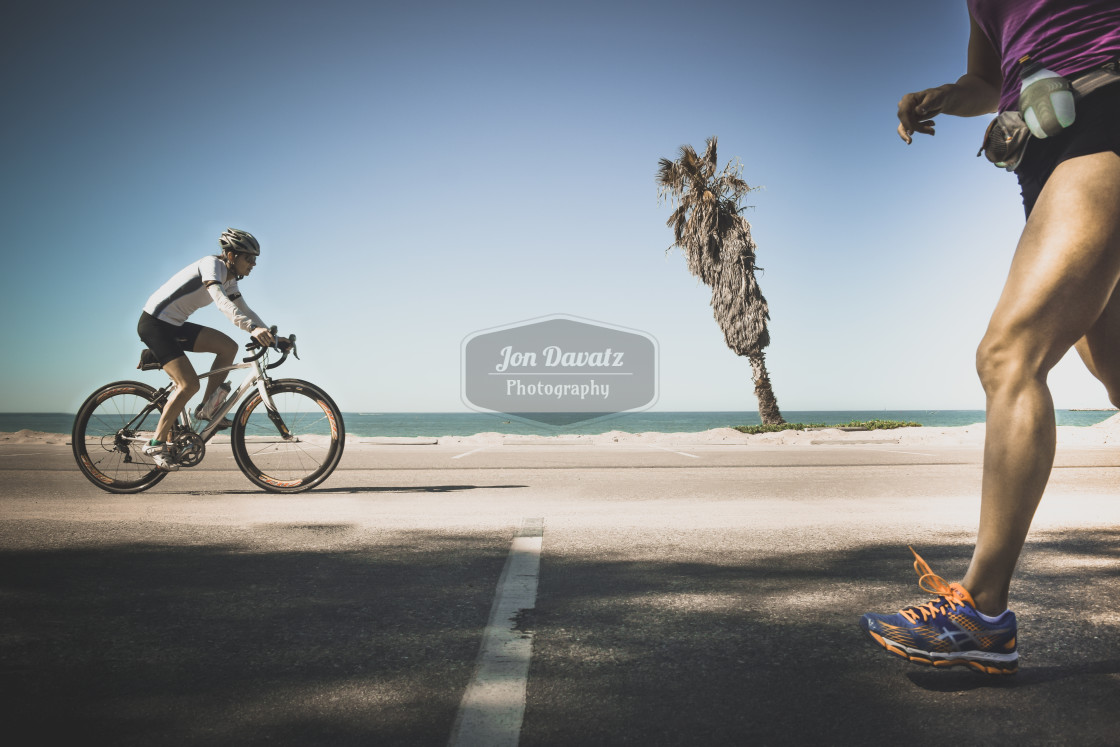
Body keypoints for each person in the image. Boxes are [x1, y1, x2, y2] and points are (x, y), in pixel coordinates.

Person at [860, 0, 1120, 675]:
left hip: (1107, 108)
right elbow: (988, 78)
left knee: (1009, 352)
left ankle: (982, 612)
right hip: (1039, 148)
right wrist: (943, 97)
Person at [137, 228, 274, 470]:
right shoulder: (211, 265)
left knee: (227, 347)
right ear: (231, 255)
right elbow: (221, 302)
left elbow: (245, 309)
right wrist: (252, 329)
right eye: (249, 258)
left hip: (174, 325)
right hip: (155, 325)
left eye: (255, 260)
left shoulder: (230, 278)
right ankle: (156, 442)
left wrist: (274, 337)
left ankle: (207, 409)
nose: (253, 264)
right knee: (189, 384)